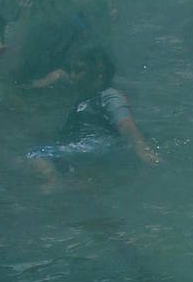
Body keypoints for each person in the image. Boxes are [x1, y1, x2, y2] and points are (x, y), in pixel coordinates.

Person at [27, 45, 157, 185]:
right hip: (88, 145)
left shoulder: (109, 97)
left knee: (35, 155)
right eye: (71, 70)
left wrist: (143, 151)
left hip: (101, 146)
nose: (72, 76)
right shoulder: (83, 99)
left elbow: (126, 124)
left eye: (78, 70)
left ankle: (54, 183)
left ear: (98, 72)